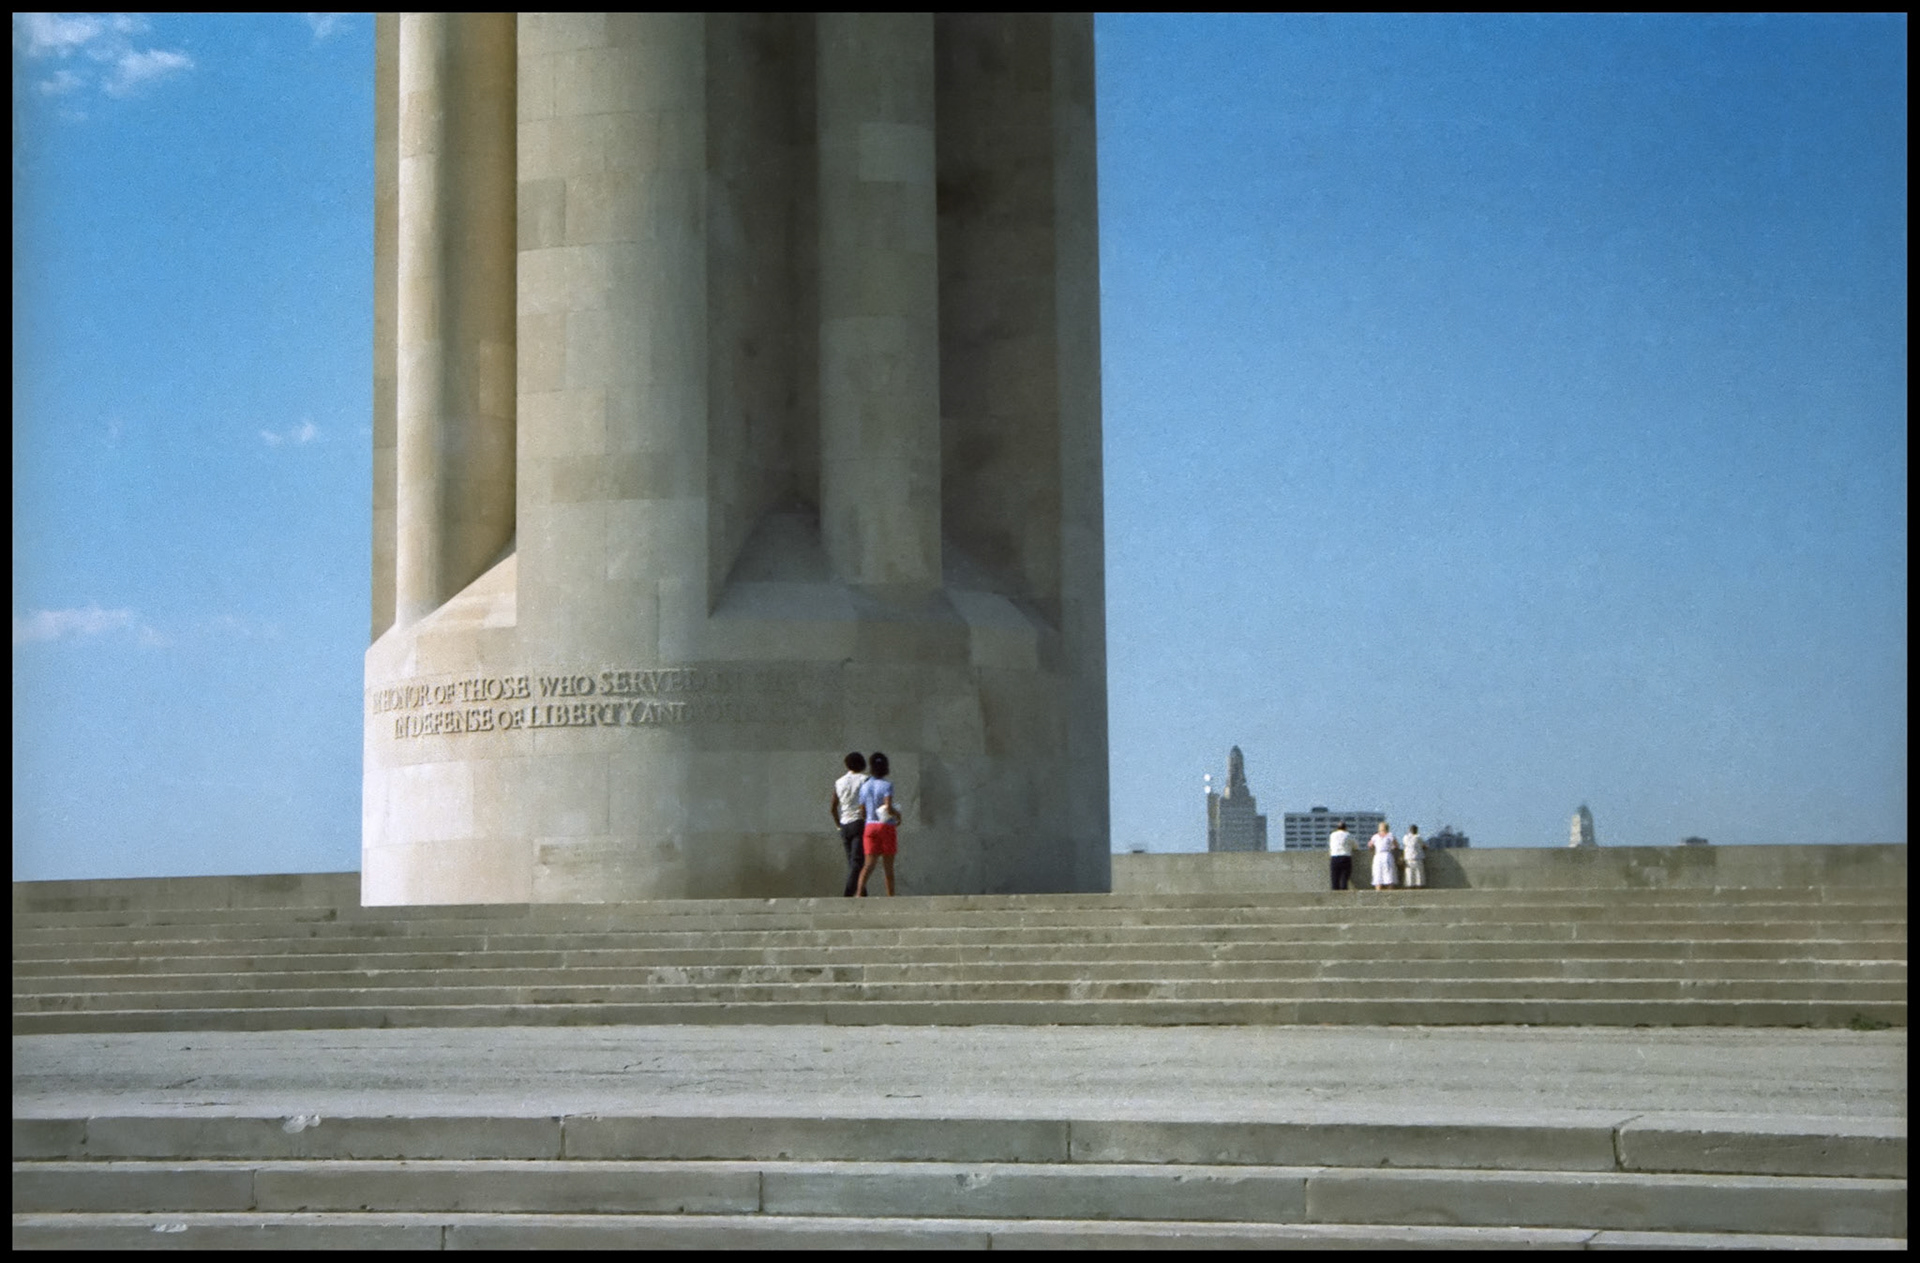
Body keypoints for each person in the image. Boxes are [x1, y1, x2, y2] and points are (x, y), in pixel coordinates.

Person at [854, 751, 900, 897]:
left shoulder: (865, 786)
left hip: (870, 826)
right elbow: (888, 807)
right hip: (885, 826)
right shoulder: (887, 785)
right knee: (888, 867)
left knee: (868, 864)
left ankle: (859, 892)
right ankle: (890, 896)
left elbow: (862, 810)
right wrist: (898, 815)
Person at [829, 751, 869, 898]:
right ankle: (847, 895)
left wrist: (838, 825)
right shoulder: (865, 779)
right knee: (857, 862)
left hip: (845, 824)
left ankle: (862, 896)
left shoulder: (839, 782)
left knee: (853, 863)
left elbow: (833, 808)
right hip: (859, 822)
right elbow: (867, 804)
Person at [1369, 821, 1398, 890]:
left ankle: (1378, 892)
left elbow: (1370, 845)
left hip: (1378, 855)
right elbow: (1396, 845)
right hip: (1387, 855)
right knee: (1389, 875)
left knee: (1378, 875)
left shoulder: (1375, 836)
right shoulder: (1390, 835)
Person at [1328, 820, 1355, 891]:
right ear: (1345, 828)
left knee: (1334, 879)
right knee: (1344, 879)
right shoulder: (1348, 835)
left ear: (1337, 828)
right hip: (1345, 857)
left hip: (1334, 857)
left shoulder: (1332, 835)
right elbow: (1355, 846)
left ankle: (1335, 896)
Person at [1401, 824, 1426, 889]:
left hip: (1408, 859)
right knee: (1419, 876)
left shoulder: (1405, 837)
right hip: (1417, 858)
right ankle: (1418, 887)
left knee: (1409, 875)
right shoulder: (1418, 837)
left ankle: (1409, 887)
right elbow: (1424, 846)